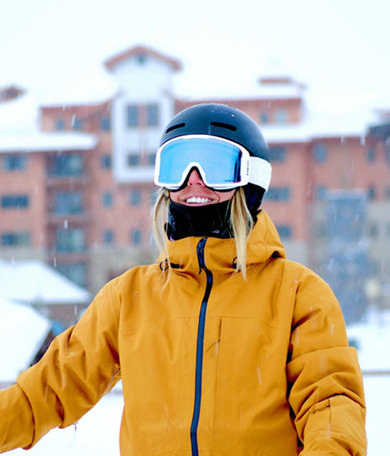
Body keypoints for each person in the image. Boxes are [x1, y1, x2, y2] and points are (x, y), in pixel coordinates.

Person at [0, 103, 366, 455]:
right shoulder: (130, 297)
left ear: (251, 183)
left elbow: (330, 405)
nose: (194, 180)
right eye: (178, 165)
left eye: (214, 166)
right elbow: (47, 391)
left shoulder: (298, 294)